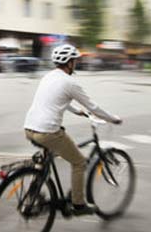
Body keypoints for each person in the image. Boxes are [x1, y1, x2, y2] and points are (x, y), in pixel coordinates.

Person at [24, 44, 122, 216]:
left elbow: (60, 100)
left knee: (45, 159)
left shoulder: (48, 77)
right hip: (48, 132)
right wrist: (112, 119)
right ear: (69, 63)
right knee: (79, 162)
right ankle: (78, 204)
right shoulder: (70, 82)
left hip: (30, 128)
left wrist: (78, 112)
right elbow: (93, 107)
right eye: (75, 60)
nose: (76, 63)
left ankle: (33, 192)